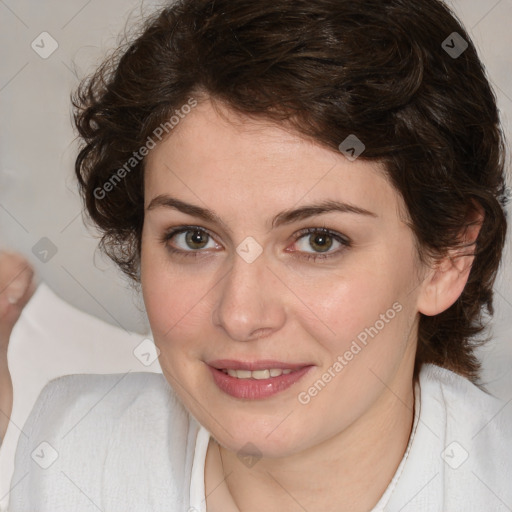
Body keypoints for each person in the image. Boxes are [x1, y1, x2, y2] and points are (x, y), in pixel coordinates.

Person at [1, 0, 511, 510]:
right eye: (194, 238)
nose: (241, 316)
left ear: (447, 256)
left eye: (318, 240)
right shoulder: (68, 450)